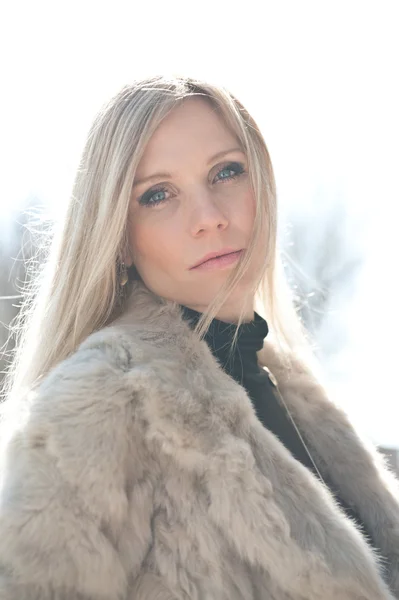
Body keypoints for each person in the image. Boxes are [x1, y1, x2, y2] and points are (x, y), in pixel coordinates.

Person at [0, 75, 398, 600]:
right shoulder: (101, 401)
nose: (209, 219)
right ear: (118, 237)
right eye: (158, 195)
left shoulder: (291, 393)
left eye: (226, 172)